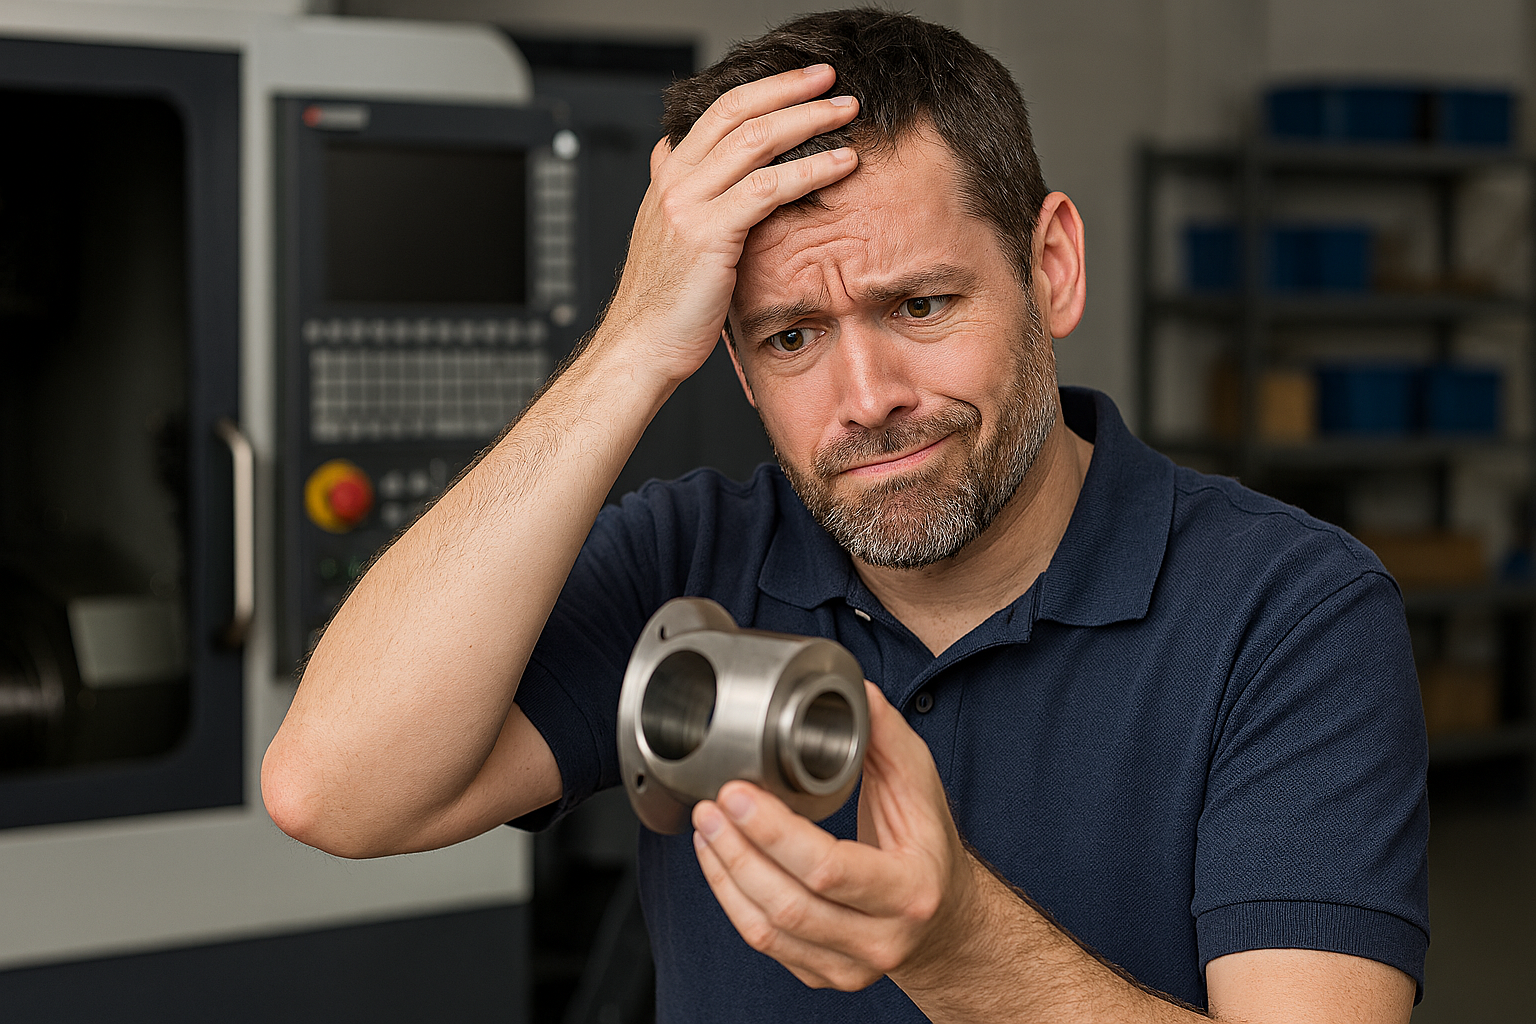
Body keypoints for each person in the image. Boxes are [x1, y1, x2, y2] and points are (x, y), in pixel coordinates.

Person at [262, 9, 1428, 1022]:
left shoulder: (1289, 613)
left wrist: (956, 944)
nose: (868, 399)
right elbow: (332, 790)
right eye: (791, 336)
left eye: (920, 304)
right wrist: (629, 347)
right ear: (732, 358)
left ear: (1053, 267)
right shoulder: (689, 563)